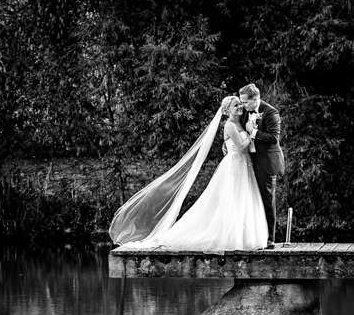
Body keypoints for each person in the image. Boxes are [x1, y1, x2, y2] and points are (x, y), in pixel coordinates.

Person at [109, 95, 268, 251]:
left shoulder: (239, 123)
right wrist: (251, 132)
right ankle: (229, 237)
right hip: (234, 167)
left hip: (243, 165)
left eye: (240, 104)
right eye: (236, 105)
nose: (240, 107)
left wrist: (247, 131)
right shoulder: (230, 125)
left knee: (243, 199)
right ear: (227, 110)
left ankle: (243, 237)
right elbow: (241, 146)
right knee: (232, 200)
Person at [239, 83, 285, 247]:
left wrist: (253, 132)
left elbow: (274, 138)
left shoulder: (270, 112)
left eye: (245, 102)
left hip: (265, 161)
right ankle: (253, 236)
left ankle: (270, 238)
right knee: (249, 198)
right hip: (248, 160)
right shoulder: (244, 111)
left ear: (255, 99)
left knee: (266, 198)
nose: (243, 106)